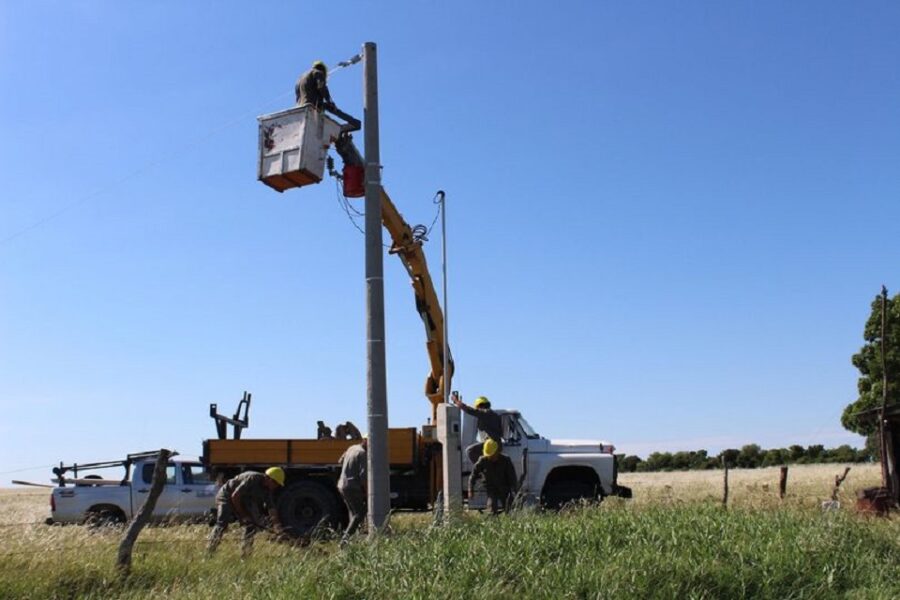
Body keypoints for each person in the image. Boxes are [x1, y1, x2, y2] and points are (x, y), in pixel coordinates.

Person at [207, 466, 285, 557]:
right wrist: (243, 515)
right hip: (227, 496)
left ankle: (245, 554)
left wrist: (277, 527)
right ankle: (210, 551)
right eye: (275, 483)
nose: (276, 486)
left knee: (251, 525)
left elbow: (271, 509)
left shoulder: (267, 490)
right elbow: (235, 496)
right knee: (222, 522)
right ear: (268, 478)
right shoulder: (253, 478)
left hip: (242, 499)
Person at [294, 60, 361, 132]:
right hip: (313, 106)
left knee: (325, 106)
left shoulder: (300, 78)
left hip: (301, 108)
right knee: (331, 107)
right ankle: (353, 122)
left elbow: (297, 95)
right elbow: (322, 87)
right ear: (323, 70)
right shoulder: (318, 73)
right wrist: (330, 102)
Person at [452, 392, 503, 465]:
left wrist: (456, 401)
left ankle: (482, 469)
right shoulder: (495, 415)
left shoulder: (484, 413)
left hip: (491, 444)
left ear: (479, 406)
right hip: (498, 445)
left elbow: (469, 410)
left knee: (470, 451)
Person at [468, 439, 518, 514]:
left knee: (509, 509)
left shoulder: (506, 460)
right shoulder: (483, 460)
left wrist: (515, 491)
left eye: (492, 455)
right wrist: (470, 489)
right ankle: (493, 523)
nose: (490, 457)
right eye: (489, 455)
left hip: (504, 488)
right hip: (491, 489)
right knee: (492, 509)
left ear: (497, 451)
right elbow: (473, 475)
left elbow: (512, 477)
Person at [337, 437, 367, 546]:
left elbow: (340, 461)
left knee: (353, 513)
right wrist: (368, 493)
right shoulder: (363, 454)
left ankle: (355, 540)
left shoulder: (352, 448)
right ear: (366, 441)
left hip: (342, 485)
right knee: (359, 514)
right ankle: (344, 541)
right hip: (352, 487)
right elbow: (363, 477)